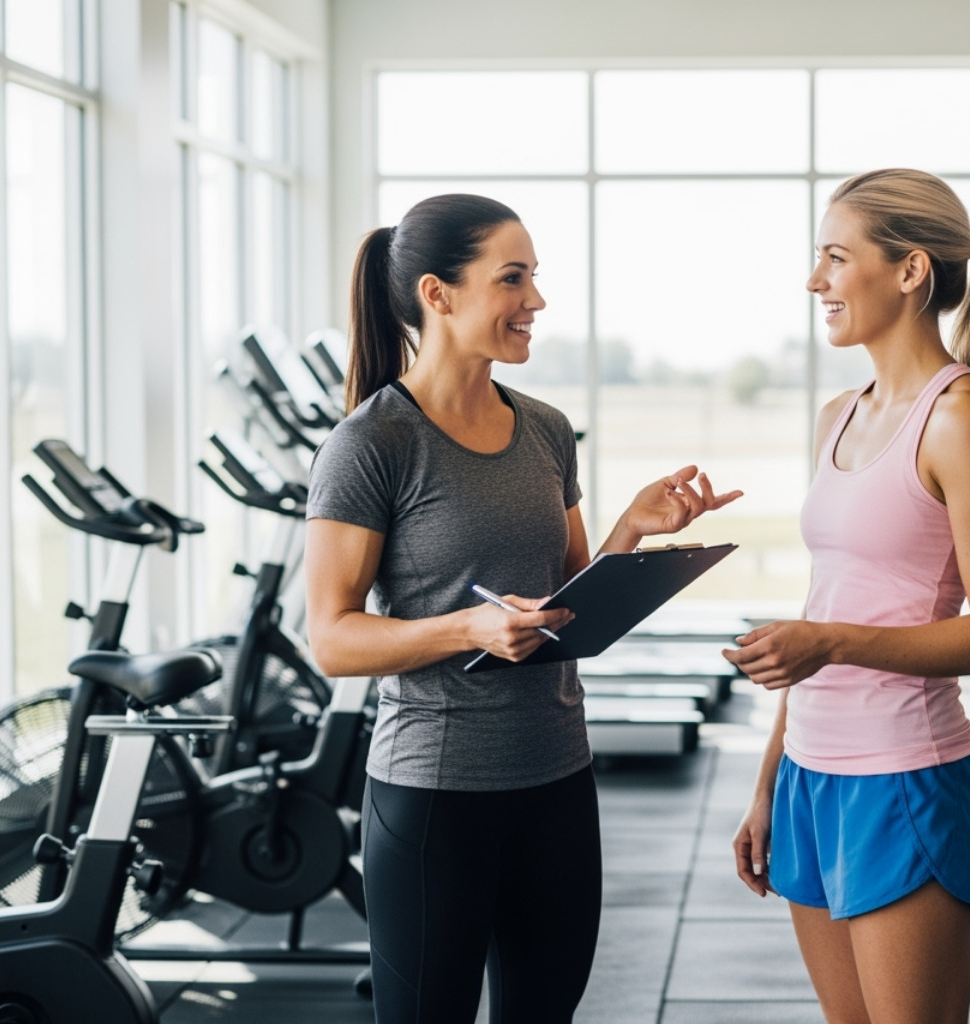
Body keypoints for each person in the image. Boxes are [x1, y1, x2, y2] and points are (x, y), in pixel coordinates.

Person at [303, 193, 741, 1024]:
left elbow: (571, 602)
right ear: (438, 294)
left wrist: (631, 531)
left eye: (534, 277)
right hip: (435, 793)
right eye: (512, 278)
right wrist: (468, 627)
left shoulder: (545, 429)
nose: (535, 299)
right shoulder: (373, 443)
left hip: (557, 777)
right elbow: (331, 639)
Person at [725, 169, 970, 1024]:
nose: (814, 280)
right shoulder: (839, 414)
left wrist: (831, 643)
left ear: (910, 271)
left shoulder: (962, 418)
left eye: (835, 257)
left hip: (905, 775)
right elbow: (825, 608)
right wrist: (769, 780)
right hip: (810, 772)